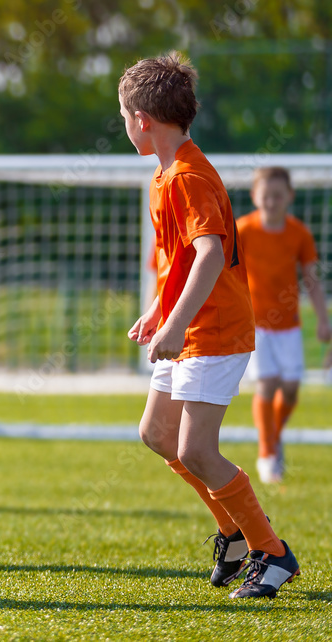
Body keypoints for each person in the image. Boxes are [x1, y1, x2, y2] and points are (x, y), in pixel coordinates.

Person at [121, 53, 299, 598]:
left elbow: (209, 257)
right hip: (188, 327)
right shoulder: (164, 173)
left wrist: (174, 326)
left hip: (215, 330)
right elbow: (177, 262)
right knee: (158, 436)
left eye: (124, 116)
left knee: (197, 450)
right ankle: (233, 532)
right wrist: (158, 311)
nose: (126, 126)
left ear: (143, 120)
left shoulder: (191, 176)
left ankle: (272, 552)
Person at [236, 167, 330, 484]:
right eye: (266, 196)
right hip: (255, 324)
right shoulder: (243, 231)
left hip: (289, 326)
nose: (272, 202)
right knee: (267, 383)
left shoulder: (299, 233)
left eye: (278, 195)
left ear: (289, 196)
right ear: (254, 196)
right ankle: (267, 453)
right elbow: (224, 272)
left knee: (290, 389)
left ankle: (273, 435)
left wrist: (323, 320)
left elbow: (312, 279)